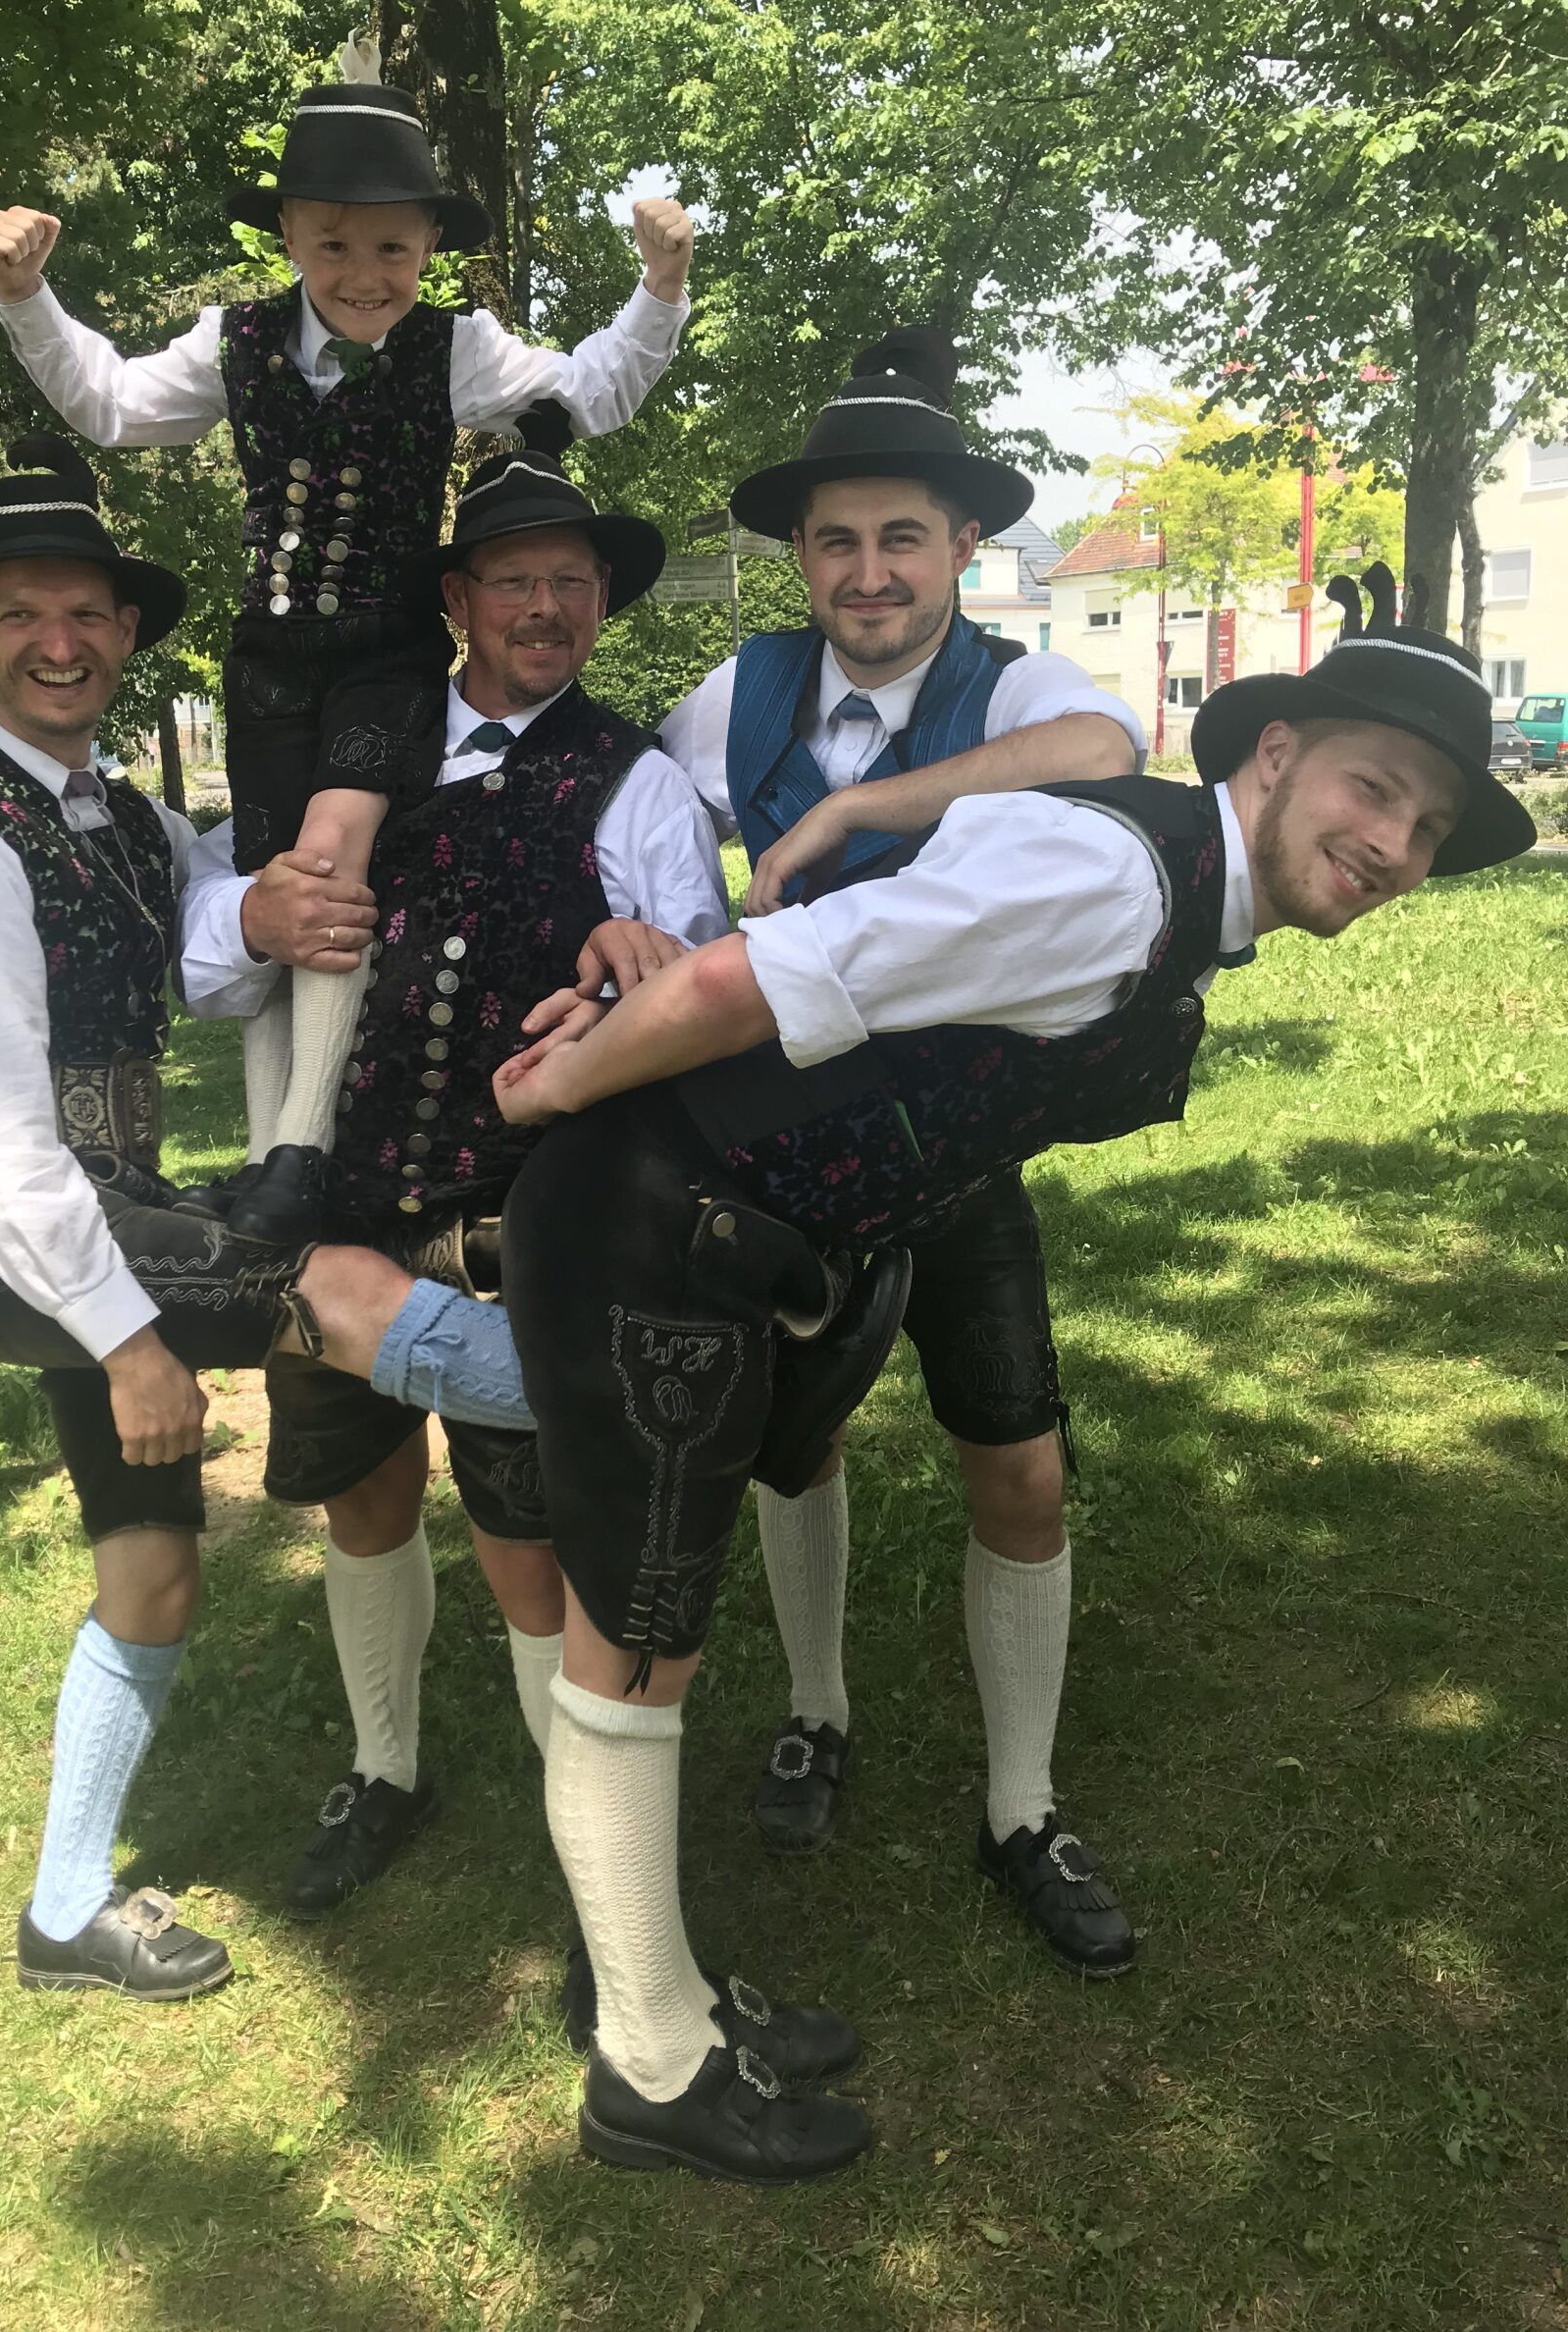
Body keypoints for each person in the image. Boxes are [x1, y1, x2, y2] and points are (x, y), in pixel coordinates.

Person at [284, 565, 1530, 2177]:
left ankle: (666, 2003)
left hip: (724, 1226)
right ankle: (648, 2068)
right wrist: (550, 1095)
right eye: (1376, 787)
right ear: (1277, 755)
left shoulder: (1171, 887)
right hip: (658, 1218)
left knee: (648, 1626)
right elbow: (749, 977)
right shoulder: (1116, 877)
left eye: (1428, 827)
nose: (1394, 843)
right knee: (637, 1639)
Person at [0, 437, 525, 2000]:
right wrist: (127, 1339)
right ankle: (636, 1388)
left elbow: (208, 953)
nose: (62, 642)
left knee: (151, 1567)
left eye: (88, 613)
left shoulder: (119, 818)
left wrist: (276, 906)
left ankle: (63, 1913)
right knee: (338, 1289)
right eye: (26, 614)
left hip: (87, 1212)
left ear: (125, 634)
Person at [0, 35, 694, 1246]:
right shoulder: (234, 343)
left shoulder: (455, 348)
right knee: (277, 886)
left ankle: (303, 1152)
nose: (365, 275)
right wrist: (26, 299)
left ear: (429, 246)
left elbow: (592, 390)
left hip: (382, 652)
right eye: (334, 245)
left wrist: (659, 288)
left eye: (393, 250)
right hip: (266, 658)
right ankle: (271, 1169)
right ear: (289, 237)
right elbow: (109, 403)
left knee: (329, 860)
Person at [181, 409, 729, 1920]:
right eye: (514, 580)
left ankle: (590, 1874)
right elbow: (211, 959)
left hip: (516, 1222)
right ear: (457, 599)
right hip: (336, 1206)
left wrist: (640, 964)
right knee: (360, 1496)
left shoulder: (636, 783)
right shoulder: (352, 757)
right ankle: (387, 1766)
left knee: (530, 1544)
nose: (545, 608)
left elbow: (699, 1004)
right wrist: (253, 918)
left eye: (571, 582)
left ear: (601, 602)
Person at [659, 325, 1147, 1953]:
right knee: (795, 1442)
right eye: (838, 541)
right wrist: (645, 925)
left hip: (958, 1143)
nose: (868, 573)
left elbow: (1108, 756)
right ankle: (818, 1708)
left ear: (961, 545)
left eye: (902, 538)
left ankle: (1023, 1806)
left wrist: (857, 808)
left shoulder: (1013, 686)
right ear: (801, 555)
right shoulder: (737, 693)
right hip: (788, 1149)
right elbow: (634, 824)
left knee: (1019, 1463)